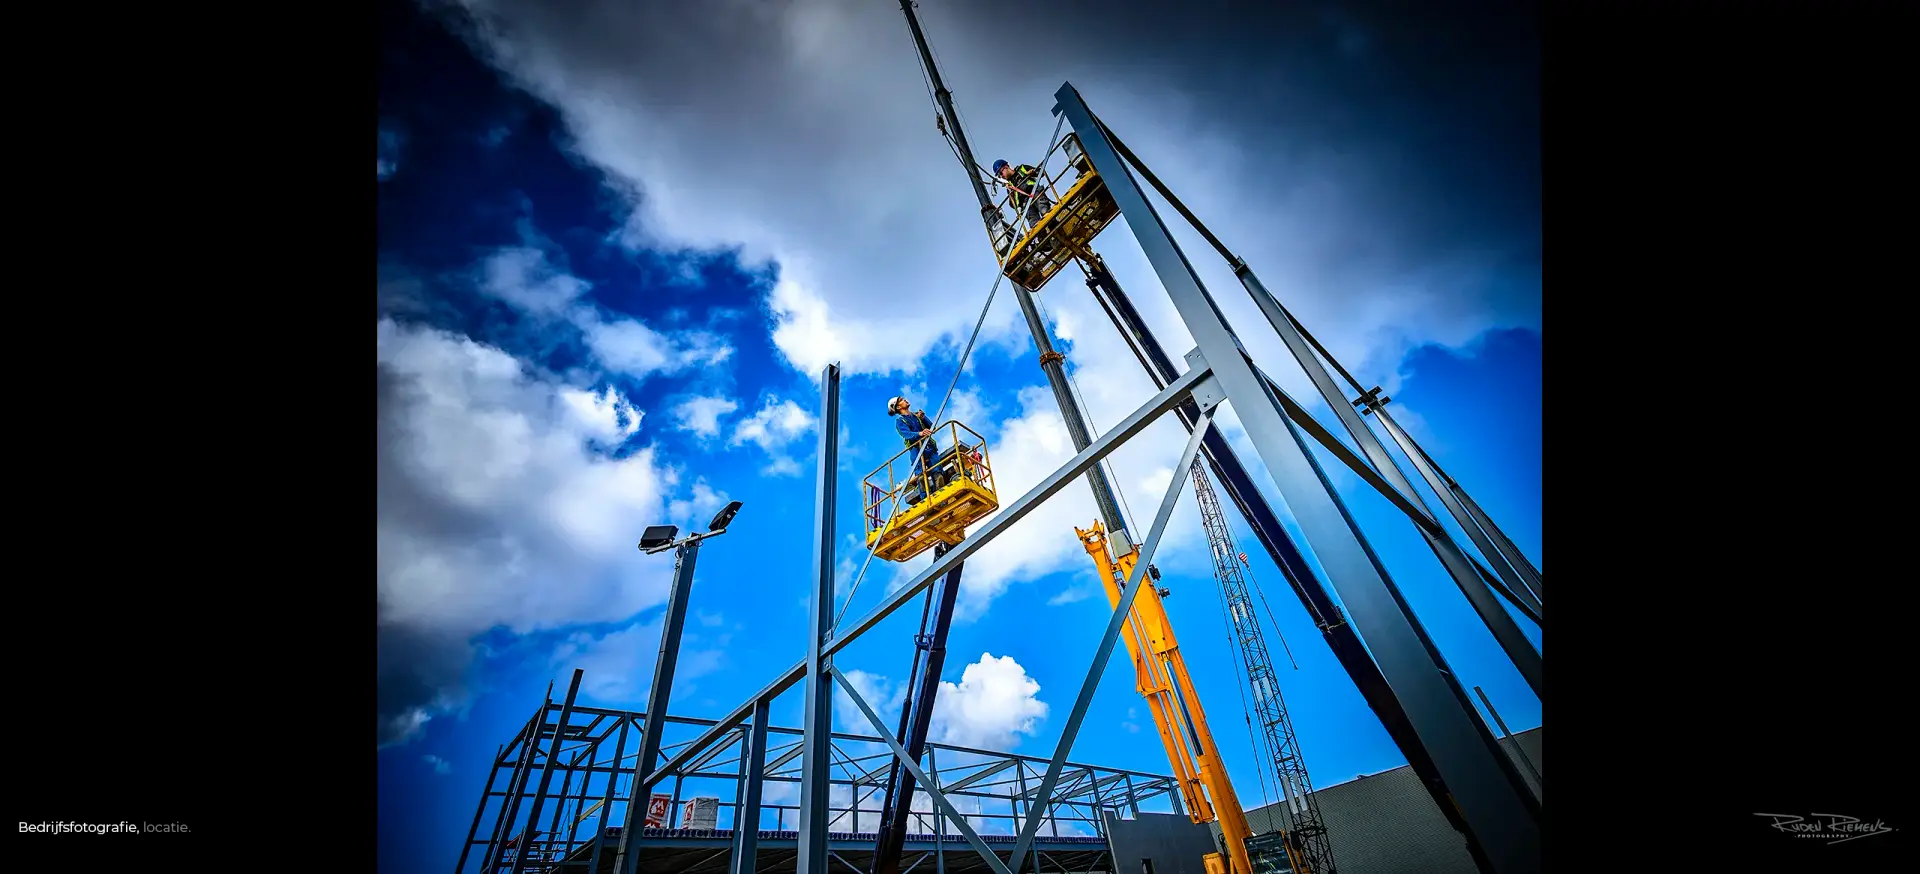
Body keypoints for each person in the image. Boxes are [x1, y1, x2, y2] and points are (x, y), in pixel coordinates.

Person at [888, 396, 941, 502]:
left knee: (937, 473)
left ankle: (942, 498)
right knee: (921, 477)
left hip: (929, 447)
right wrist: (920, 433)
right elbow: (907, 435)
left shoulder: (916, 416)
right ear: (898, 407)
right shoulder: (900, 421)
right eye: (902, 400)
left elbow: (932, 428)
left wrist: (923, 418)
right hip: (916, 450)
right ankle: (926, 502)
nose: (905, 400)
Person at [994, 159, 1054, 231]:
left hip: (1035, 193)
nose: (1001, 176)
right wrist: (1011, 194)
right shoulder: (1010, 186)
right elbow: (1013, 205)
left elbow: (1041, 172)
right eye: (999, 176)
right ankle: (1044, 239)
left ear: (1006, 167)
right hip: (1026, 205)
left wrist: (1033, 173)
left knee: (1045, 212)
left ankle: (1056, 231)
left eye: (1001, 173)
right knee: (1035, 226)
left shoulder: (1022, 169)